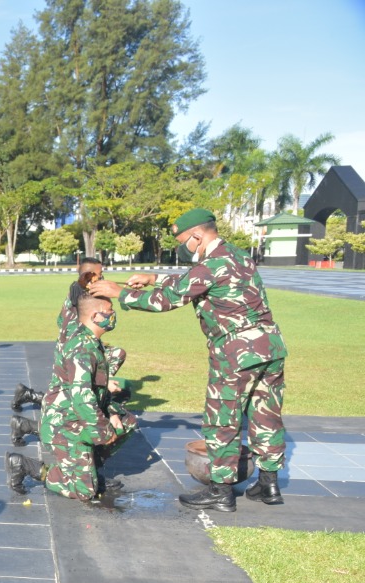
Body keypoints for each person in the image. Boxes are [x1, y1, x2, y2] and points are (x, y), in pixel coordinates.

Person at [89, 208, 287, 511]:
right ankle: (269, 483)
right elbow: (192, 280)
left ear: (197, 235)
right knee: (266, 415)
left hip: (236, 351)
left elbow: (167, 300)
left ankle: (221, 490)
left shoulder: (211, 264)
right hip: (270, 346)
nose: (183, 248)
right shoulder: (237, 255)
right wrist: (153, 277)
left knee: (223, 419)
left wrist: (120, 292)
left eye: (184, 241)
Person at [6, 293, 134, 500]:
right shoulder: (82, 349)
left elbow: (97, 394)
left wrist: (111, 413)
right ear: (96, 316)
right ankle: (26, 466)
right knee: (85, 491)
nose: (113, 315)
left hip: (76, 418)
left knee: (125, 421)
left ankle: (89, 468)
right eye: (109, 311)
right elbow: (83, 399)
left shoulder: (90, 340)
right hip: (64, 426)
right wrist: (103, 431)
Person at [10, 257, 127, 415]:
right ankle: (28, 405)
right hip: (72, 349)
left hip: (82, 344)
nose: (102, 277)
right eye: (100, 274)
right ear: (89, 276)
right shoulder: (77, 289)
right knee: (68, 399)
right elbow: (77, 289)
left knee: (117, 354)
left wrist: (125, 290)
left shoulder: (88, 292)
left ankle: (29, 396)